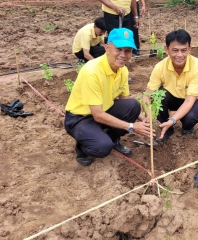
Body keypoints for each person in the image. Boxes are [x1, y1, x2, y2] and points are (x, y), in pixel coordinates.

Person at [64, 28, 151, 165]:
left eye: (128, 50)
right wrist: (132, 126)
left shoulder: (122, 70)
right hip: (80, 118)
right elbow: (97, 115)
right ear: (107, 48)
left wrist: (142, 118)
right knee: (102, 147)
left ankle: (113, 138)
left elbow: (125, 99)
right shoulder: (92, 72)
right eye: (118, 49)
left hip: (103, 110)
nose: (123, 55)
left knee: (133, 105)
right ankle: (82, 148)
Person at [142, 29, 198, 143]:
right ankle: (167, 128)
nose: (179, 55)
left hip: (193, 100)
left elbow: (188, 101)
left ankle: (187, 127)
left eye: (184, 50)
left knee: (189, 119)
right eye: (175, 50)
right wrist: (148, 117)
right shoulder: (160, 67)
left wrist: (172, 119)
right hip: (172, 97)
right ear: (166, 49)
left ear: (190, 49)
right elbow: (147, 95)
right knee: (157, 97)